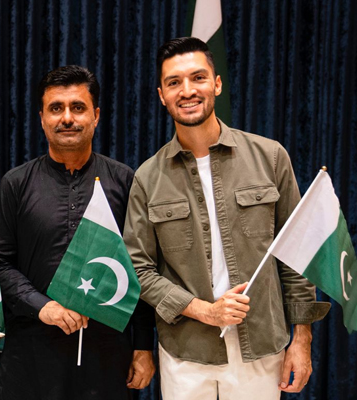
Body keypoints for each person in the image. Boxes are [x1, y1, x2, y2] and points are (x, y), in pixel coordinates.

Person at [124, 37, 331, 400]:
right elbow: (138, 270)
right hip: (186, 352)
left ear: (216, 84)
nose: (187, 91)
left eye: (198, 78)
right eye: (174, 82)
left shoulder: (271, 158)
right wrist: (206, 311)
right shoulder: (147, 177)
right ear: (161, 94)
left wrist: (302, 339)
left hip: (262, 348)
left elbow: (297, 257)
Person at [0, 65, 155, 400]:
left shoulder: (125, 181)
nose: (67, 118)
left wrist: (143, 346)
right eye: (56, 108)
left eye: (77, 108)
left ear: (95, 116)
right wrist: (42, 306)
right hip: (31, 353)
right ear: (41, 118)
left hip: (107, 354)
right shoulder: (16, 184)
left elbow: (140, 269)